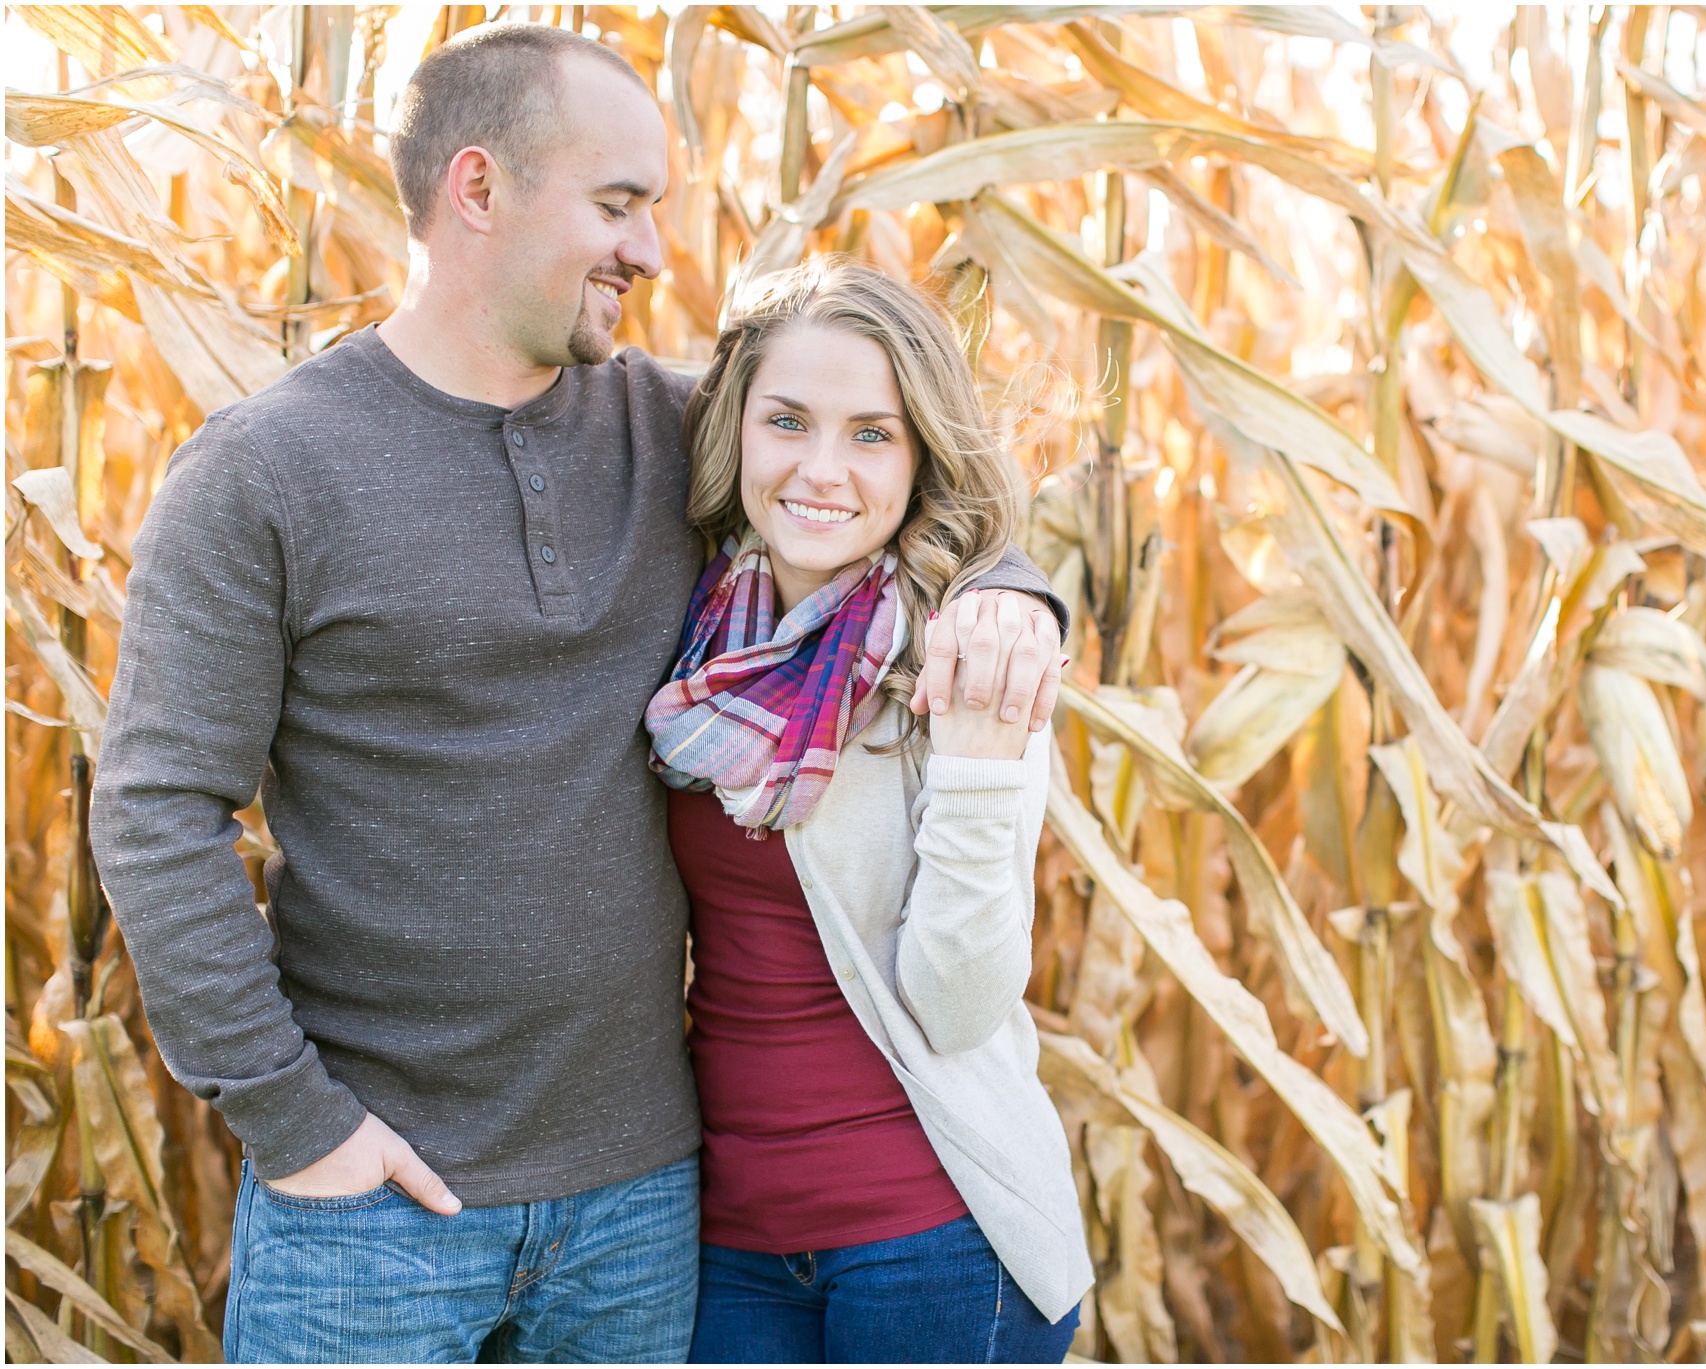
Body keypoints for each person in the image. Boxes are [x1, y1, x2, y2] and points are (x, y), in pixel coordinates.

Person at [90, 23, 1065, 1364]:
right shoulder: (263, 476)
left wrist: (1015, 588)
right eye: (618, 205)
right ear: (477, 191)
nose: (653, 250)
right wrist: (289, 1119)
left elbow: (878, 464)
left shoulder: (673, 428)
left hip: (646, 1205)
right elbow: (155, 810)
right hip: (375, 1213)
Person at [645, 259, 1090, 1364]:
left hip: (930, 1240)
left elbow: (958, 1001)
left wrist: (984, 763)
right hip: (732, 1242)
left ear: (922, 454)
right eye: (787, 420)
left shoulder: (965, 654)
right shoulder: (698, 627)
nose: (820, 469)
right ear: (735, 427)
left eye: (871, 435)